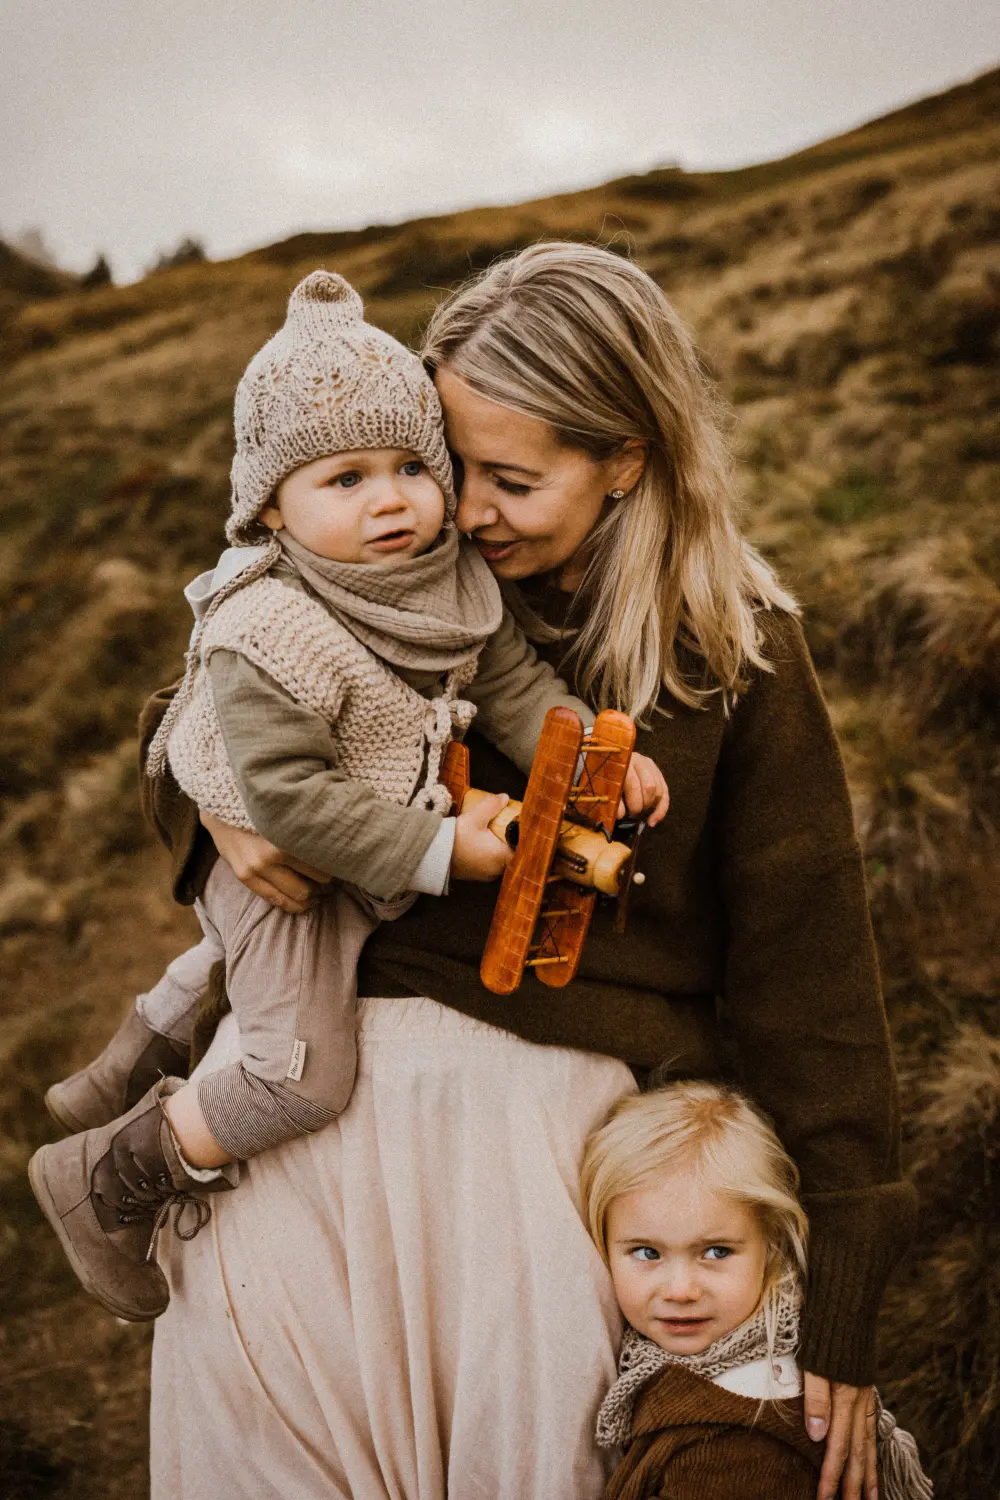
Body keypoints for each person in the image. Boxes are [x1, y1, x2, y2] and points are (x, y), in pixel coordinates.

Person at [137, 242, 912, 1500]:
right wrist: (204, 799)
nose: (456, 510)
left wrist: (851, 1275)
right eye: (451, 468)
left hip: (540, 1180)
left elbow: (810, 978)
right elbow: (215, 701)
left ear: (626, 460)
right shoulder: (360, 581)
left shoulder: (732, 656)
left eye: (509, 478)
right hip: (287, 1154)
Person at [29, 267, 667, 1324]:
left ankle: (131, 1055)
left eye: (415, 465)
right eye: (345, 478)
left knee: (239, 967)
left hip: (350, 845)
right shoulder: (268, 624)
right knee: (300, 1076)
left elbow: (509, 683)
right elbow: (282, 797)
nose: (393, 499)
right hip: (291, 863)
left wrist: (597, 756)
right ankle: (109, 1174)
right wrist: (435, 852)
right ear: (268, 508)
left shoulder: (449, 575)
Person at [581, 1082, 932, 1500]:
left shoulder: (739, 1444)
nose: (681, 1289)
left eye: (715, 1251)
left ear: (772, 1246)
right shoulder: (677, 1368)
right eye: (647, 1252)